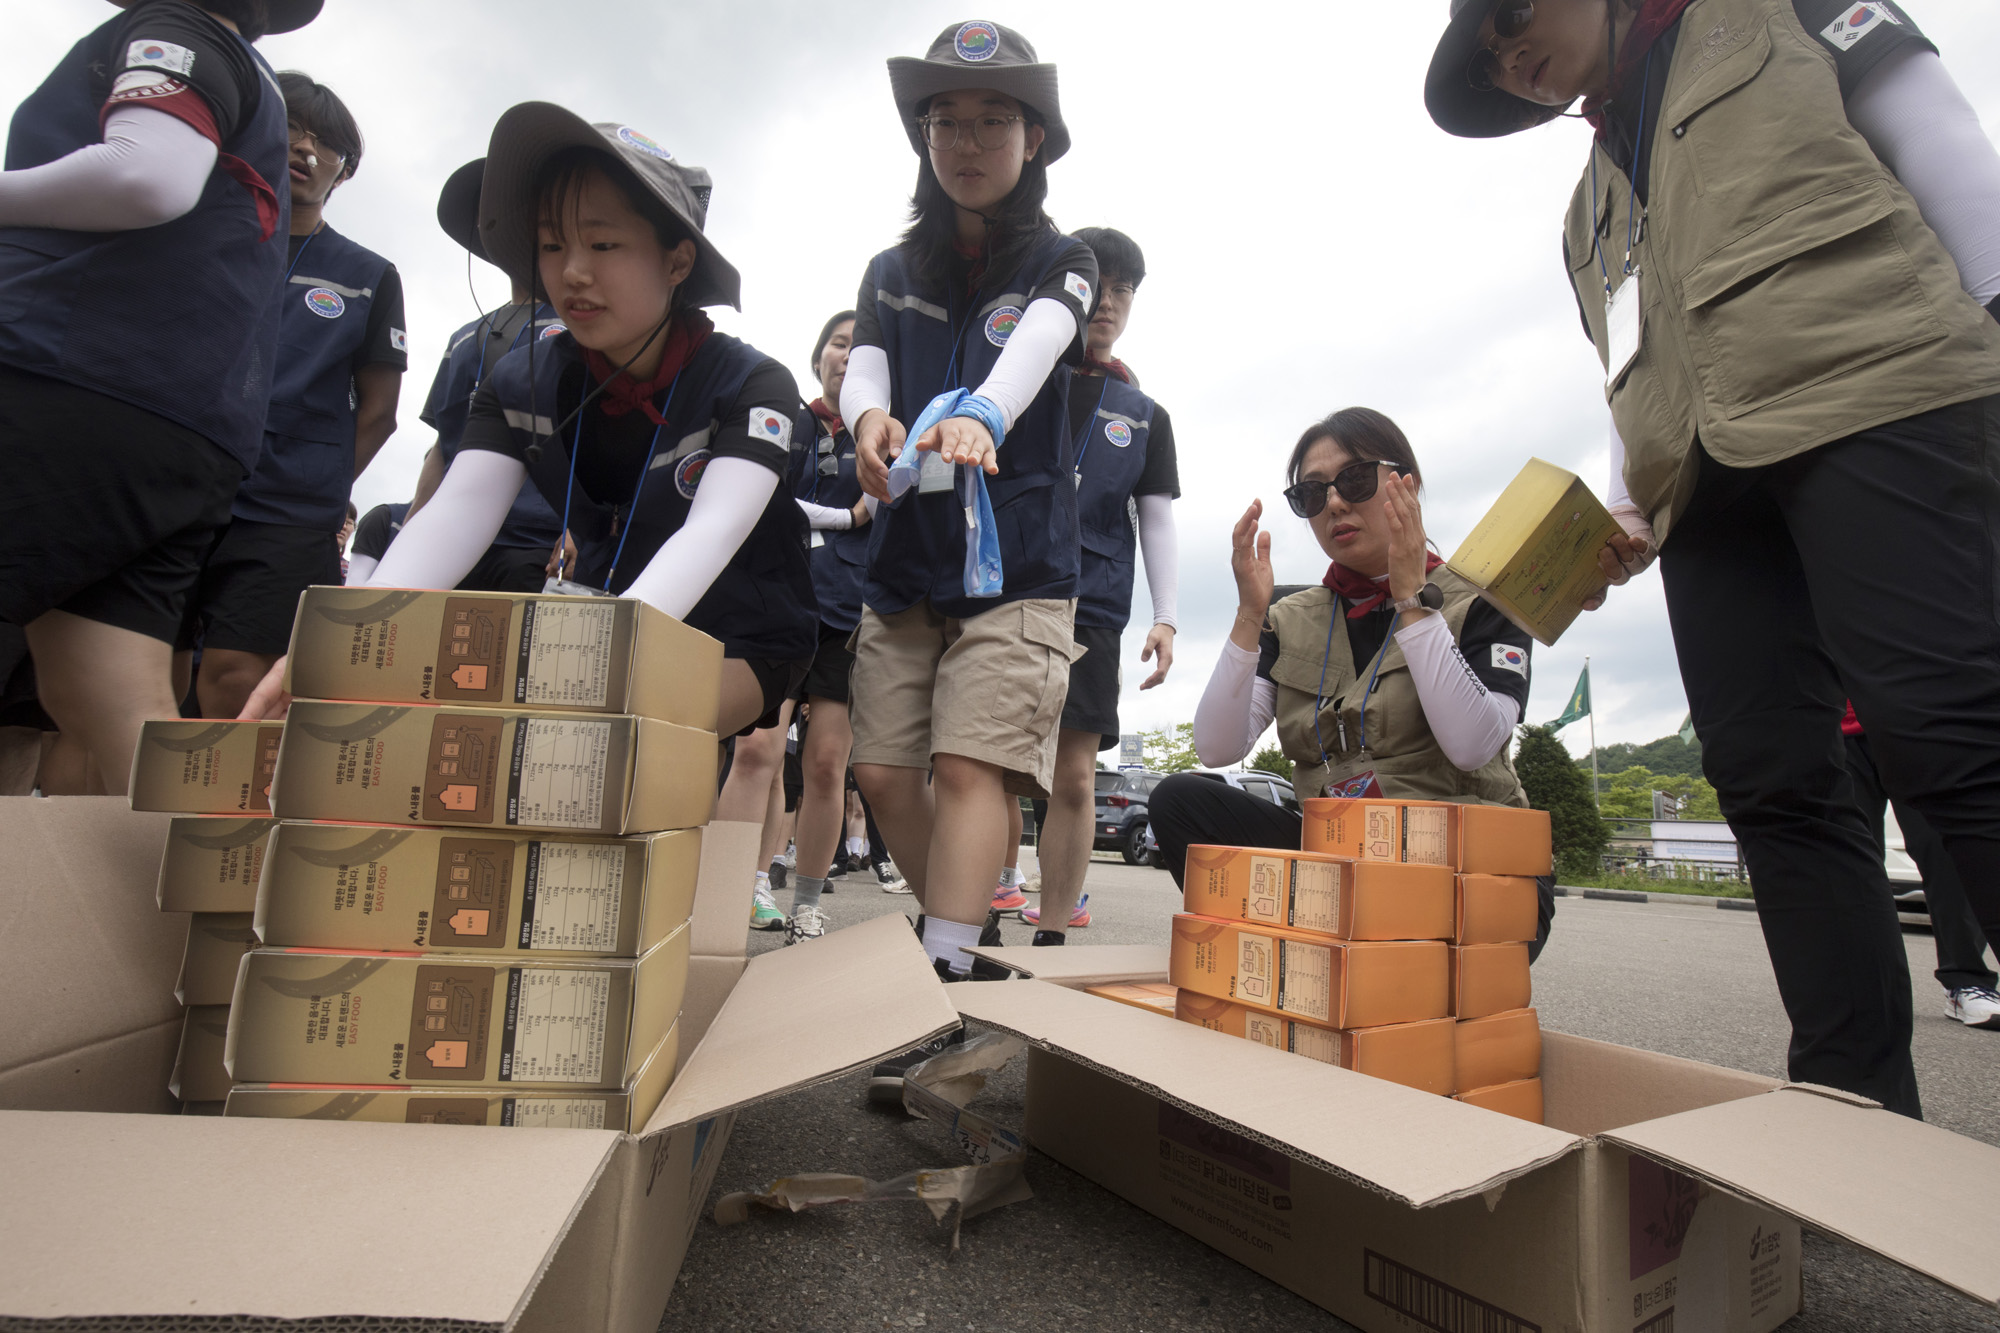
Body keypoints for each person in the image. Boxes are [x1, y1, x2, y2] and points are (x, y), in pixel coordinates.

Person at [1425, 0, 2000, 1118]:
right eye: (1488, 58)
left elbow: (1936, 135)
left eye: (1509, 16)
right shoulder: (1584, 200)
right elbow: (1631, 360)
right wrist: (1625, 506)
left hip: (1873, 397)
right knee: (1771, 784)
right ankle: (1850, 1100)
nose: (1508, 55)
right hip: (1707, 494)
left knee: (1949, 730)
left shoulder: (1770, 13)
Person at [242, 105, 819, 750]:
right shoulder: (521, 381)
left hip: (737, 632)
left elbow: (711, 533)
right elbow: (450, 515)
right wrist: (337, 648)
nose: (572, 271)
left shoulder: (751, 386)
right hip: (597, 618)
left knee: (584, 743)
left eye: (603, 244)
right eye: (552, 244)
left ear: (678, 261)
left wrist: (579, 676)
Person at [842, 20, 1098, 1000]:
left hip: (1018, 560)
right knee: (879, 768)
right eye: (946, 121)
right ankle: (968, 927)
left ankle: (945, 983)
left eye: (994, 121)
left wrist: (984, 412)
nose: (967, 141)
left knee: (965, 763)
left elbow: (1038, 339)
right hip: (906, 552)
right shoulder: (890, 270)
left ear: (1034, 138)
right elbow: (867, 355)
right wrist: (869, 418)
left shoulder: (1060, 255)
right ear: (923, 137)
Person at [0, 0, 309, 793]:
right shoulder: (257, 80)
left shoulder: (179, 29)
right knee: (108, 695)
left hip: (74, 378)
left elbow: (146, 175)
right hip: (191, 431)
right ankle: (223, 905)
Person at [1148, 408, 1555, 956]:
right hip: (1338, 861)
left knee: (1404, 942)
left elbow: (1472, 743)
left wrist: (1412, 600)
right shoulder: (1291, 613)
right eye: (1312, 495)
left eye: (1355, 479)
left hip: (1467, 867)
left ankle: (1345, 960)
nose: (1334, 503)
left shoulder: (1482, 597)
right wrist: (1249, 614)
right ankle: (1316, 961)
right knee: (1180, 800)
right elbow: (1217, 746)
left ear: (1404, 483)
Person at [178, 68, 404, 720]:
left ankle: (228, 820)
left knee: (235, 678)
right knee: (141, 669)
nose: (305, 149)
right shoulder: (201, 244)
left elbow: (381, 413)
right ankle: (126, 821)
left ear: (344, 169)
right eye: (292, 129)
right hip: (177, 492)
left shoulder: (369, 276)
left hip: (285, 514)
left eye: (324, 141)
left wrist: (315, 481)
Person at [1018, 226, 1181, 945]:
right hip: (1009, 587)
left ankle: (1053, 930)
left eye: (1123, 289)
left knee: (1074, 774)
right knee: (992, 762)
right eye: (1096, 285)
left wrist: (1166, 616)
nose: (1107, 301)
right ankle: (973, 918)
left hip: (1093, 602)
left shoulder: (1147, 417)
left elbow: (1157, 521)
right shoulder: (1021, 374)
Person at [410, 157, 567, 594]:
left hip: (539, 542)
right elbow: (443, 443)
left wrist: (578, 531)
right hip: (455, 545)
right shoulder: (463, 338)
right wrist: (412, 528)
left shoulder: (582, 330)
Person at [776, 310, 876, 943]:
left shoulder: (883, 438)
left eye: (859, 348)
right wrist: (847, 517)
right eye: (838, 343)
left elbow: (885, 513)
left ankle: (806, 903)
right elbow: (768, 500)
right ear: (819, 356)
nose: (846, 355)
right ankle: (748, 882)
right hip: (781, 605)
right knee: (757, 750)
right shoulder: (785, 419)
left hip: (847, 615)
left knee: (826, 766)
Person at [1843, 706, 2000, 1030]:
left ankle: (1966, 981)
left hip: (1908, 717)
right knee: (1851, 857)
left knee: (1944, 848)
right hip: (1834, 726)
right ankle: (1863, 990)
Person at [345, 500, 404, 586]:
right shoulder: (384, 516)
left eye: (349, 523)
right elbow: (355, 583)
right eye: (342, 521)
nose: (344, 527)